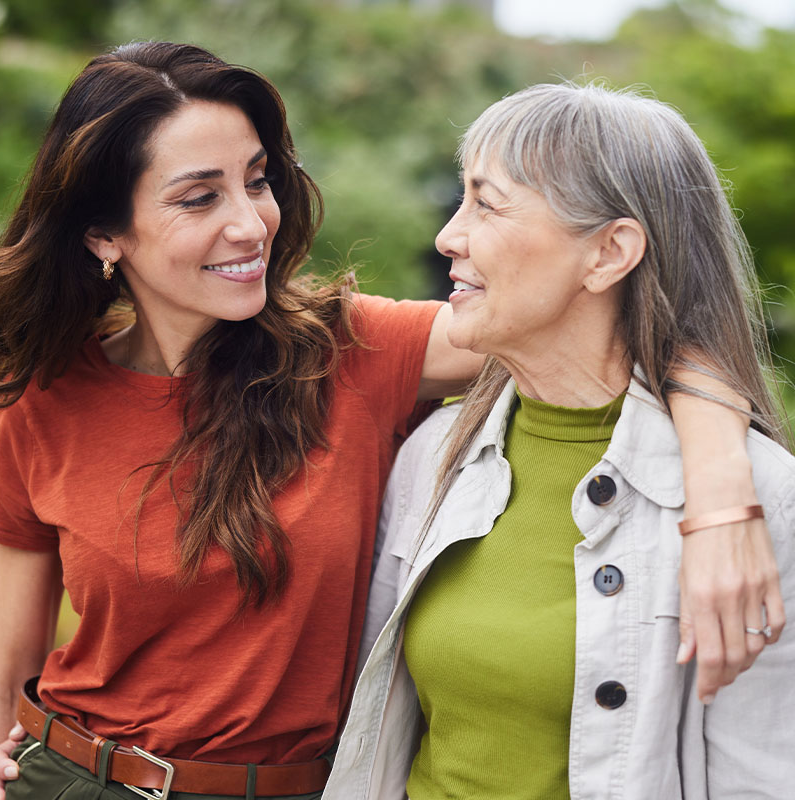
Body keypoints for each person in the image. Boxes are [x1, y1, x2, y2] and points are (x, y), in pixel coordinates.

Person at [0, 44, 782, 800]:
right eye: (199, 197)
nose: (249, 224)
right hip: (68, 777)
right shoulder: (39, 398)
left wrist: (721, 501)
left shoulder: (353, 353)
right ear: (104, 233)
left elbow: (630, 325)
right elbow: (8, 665)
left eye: (258, 180)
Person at [323, 83, 795, 799]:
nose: (449, 236)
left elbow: (761, 778)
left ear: (609, 253)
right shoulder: (434, 456)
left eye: (487, 202)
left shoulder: (759, 500)